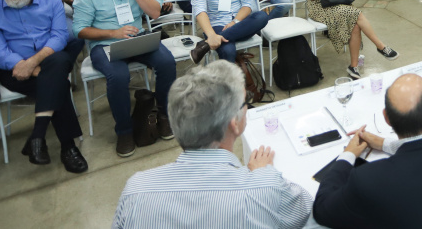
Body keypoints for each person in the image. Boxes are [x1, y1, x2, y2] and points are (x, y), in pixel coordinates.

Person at [112, 61, 311, 229]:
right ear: (234, 123)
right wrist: (264, 174)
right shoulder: (264, 189)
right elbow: (310, 211)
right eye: (246, 101)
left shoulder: (135, 190)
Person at [314, 74, 422, 229]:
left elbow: (322, 210)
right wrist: (384, 143)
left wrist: (348, 155)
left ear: (386, 118)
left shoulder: (368, 179)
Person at [0, 0, 87, 173]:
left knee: (58, 62)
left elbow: (59, 37)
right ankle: (68, 147)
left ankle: (38, 135)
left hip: (47, 60)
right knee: (58, 84)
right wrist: (24, 65)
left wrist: (33, 63)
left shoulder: (51, 1)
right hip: (13, 69)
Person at [73, 0, 176, 157]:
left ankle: (164, 116)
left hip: (137, 37)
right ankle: (124, 131)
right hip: (105, 44)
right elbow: (80, 30)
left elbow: (155, 13)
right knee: (119, 76)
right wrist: (113, 32)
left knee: (167, 62)